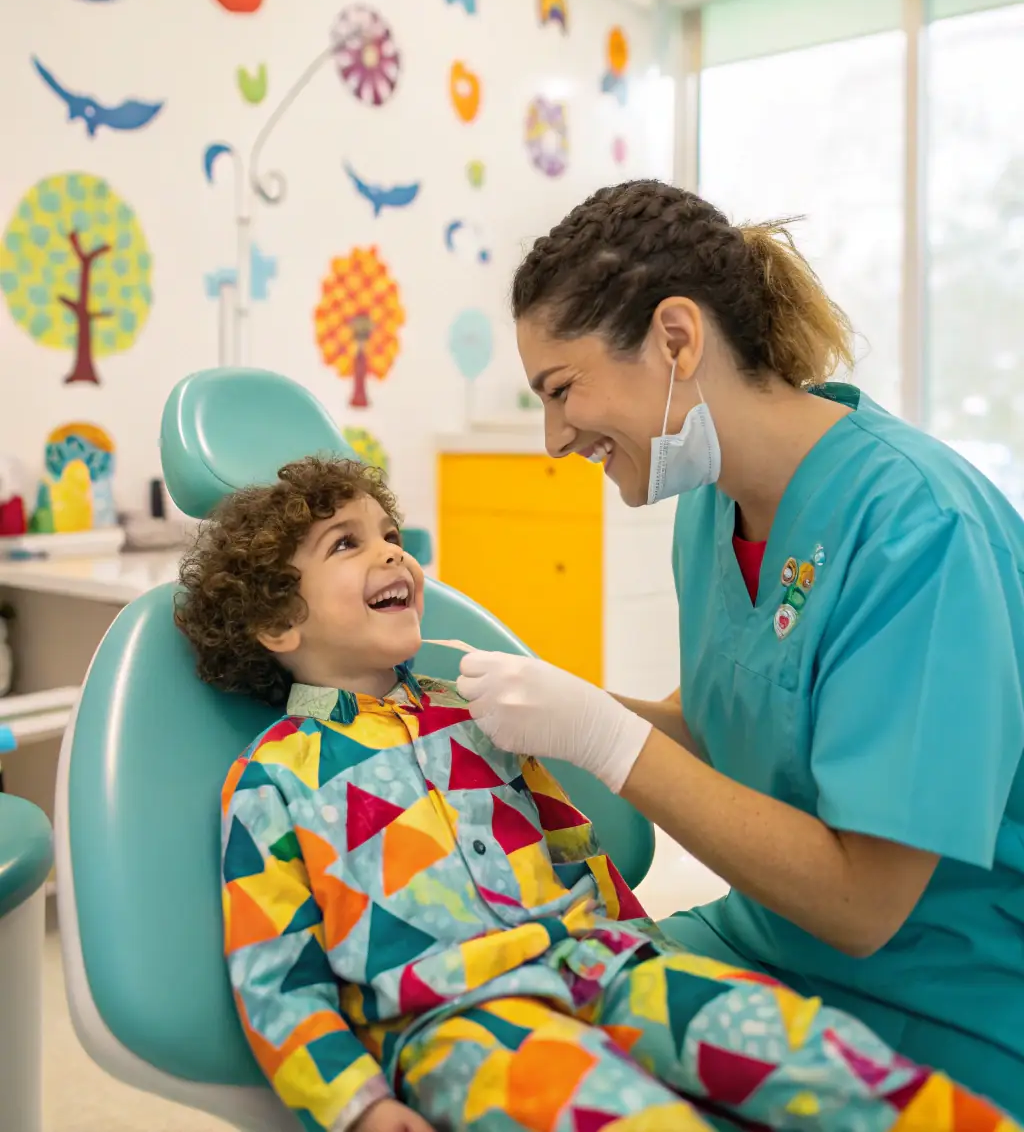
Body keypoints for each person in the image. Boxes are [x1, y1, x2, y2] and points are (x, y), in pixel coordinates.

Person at [173, 455, 1013, 1132]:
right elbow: (276, 972)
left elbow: (568, 835)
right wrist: (356, 1105)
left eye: (392, 533)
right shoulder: (272, 780)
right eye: (346, 544)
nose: (394, 552)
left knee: (811, 1052)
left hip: (604, 964)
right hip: (458, 1023)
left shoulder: (470, 711)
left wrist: (644, 947)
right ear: (279, 624)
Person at [455, 178, 1024, 1120]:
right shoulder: (710, 506)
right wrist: (553, 709)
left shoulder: (919, 529)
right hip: (765, 942)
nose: (555, 438)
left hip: (941, 993)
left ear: (677, 338)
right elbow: (732, 720)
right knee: (504, 1033)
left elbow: (862, 903)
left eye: (562, 390)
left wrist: (607, 738)